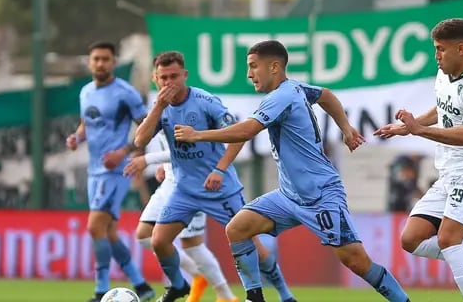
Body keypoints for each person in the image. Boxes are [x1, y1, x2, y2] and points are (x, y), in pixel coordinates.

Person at [174, 40, 410, 302]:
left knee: (356, 261)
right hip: (289, 196)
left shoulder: (281, 96)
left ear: (274, 67)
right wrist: (345, 128)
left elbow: (246, 131)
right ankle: (255, 297)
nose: (249, 74)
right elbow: (326, 95)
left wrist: (198, 134)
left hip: (320, 195)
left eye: (253, 66)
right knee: (237, 229)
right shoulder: (294, 87)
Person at [134, 51, 295, 302]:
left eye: (174, 76)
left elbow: (238, 135)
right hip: (184, 190)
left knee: (252, 243)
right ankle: (178, 286)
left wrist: (220, 169)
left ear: (184, 75)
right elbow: (140, 140)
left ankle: (284, 295)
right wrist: (158, 107)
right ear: (155, 78)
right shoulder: (159, 108)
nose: (169, 83)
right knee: (158, 241)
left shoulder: (205, 101)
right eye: (163, 78)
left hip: (220, 189)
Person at [374, 19, 463, 302]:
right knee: (410, 240)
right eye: (435, 49)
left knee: (449, 240)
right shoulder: (444, 76)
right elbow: (442, 108)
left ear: (461, 49)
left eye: (440, 49)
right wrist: (404, 129)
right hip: (449, 173)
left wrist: (419, 131)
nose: (436, 56)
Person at [66, 41, 155, 302]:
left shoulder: (125, 93)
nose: (100, 63)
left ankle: (101, 290)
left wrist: (124, 152)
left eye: (105, 59)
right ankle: (141, 286)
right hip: (95, 171)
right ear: (90, 62)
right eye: (96, 59)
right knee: (108, 231)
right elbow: (86, 123)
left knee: (95, 227)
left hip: (115, 172)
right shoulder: (85, 92)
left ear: (114, 62)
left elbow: (146, 129)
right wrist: (76, 138)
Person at [124, 130, 238, 302]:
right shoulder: (161, 107)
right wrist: (166, 165)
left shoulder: (183, 106)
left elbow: (188, 149)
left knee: (192, 244)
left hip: (190, 183)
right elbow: (171, 146)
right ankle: (197, 276)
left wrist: (148, 160)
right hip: (170, 182)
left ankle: (225, 295)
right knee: (144, 235)